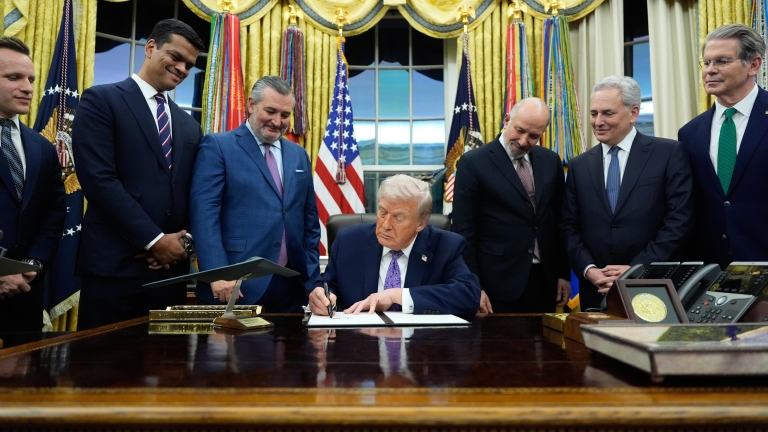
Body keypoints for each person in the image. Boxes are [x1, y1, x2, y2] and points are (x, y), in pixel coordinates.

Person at [71, 19, 205, 329]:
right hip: (114, 270)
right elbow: (99, 181)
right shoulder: (101, 101)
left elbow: (194, 195)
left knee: (167, 370)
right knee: (103, 370)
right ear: (150, 48)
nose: (183, 69)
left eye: (190, 64)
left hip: (169, 274)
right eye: (176, 57)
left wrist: (180, 246)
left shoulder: (189, 126)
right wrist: (154, 240)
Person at [561, 76, 694, 310]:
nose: (598, 122)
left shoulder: (668, 154)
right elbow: (568, 227)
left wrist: (638, 269)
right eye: (593, 114)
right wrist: (589, 270)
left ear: (633, 113)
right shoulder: (579, 166)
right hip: (596, 291)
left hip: (654, 288)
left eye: (607, 113)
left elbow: (679, 220)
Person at [190, 76, 320, 312]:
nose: (277, 121)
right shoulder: (218, 146)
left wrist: (313, 281)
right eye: (270, 111)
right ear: (251, 105)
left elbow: (309, 223)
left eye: (285, 115)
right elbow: (204, 216)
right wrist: (218, 273)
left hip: (293, 288)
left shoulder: (299, 154)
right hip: (234, 286)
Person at [451, 97, 570, 314]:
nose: (524, 141)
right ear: (507, 119)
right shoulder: (474, 163)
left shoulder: (551, 160)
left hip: (545, 281)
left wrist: (563, 273)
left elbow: (559, 221)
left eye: (534, 136)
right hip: (496, 282)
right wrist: (474, 285)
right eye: (520, 130)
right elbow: (463, 230)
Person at [309, 174, 480, 316]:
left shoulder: (445, 245)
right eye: (382, 212)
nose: (386, 225)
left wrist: (397, 295)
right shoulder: (349, 241)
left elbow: (468, 295)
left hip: (422, 349)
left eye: (398, 218)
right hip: (361, 347)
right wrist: (320, 295)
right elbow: (327, 285)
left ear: (421, 223)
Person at [679, 24, 768, 268]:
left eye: (722, 61)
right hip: (710, 270)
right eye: (706, 63)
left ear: (754, 65)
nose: (710, 70)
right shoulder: (689, 133)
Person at [0, 36, 66, 331]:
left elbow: (53, 214)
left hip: (25, 296)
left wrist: (31, 267)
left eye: (30, 78)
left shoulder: (42, 147)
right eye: (14, 77)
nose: (28, 87)